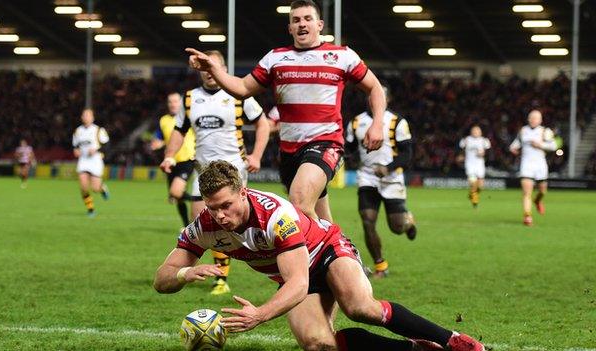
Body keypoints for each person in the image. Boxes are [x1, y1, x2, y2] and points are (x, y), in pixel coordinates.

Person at [153, 161, 485, 351]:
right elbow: (161, 279)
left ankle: (454, 341)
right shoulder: (205, 227)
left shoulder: (275, 216)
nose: (220, 215)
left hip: (326, 249)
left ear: (243, 192)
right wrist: (184, 274)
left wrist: (260, 315)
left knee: (359, 308)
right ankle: (415, 350)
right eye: (213, 208)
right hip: (296, 272)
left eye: (227, 205)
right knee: (318, 344)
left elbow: (297, 283)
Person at [184, 0, 386, 223]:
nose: (302, 24)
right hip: (289, 151)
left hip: (324, 142)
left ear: (319, 25)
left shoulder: (342, 56)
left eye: (307, 19)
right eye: (296, 20)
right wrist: (213, 68)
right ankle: (342, 252)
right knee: (322, 219)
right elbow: (241, 89)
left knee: (298, 202)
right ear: (290, 28)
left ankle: (310, 255)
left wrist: (377, 123)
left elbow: (374, 87)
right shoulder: (275, 59)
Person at [160, 50, 270, 295]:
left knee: (230, 222)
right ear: (200, 70)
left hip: (233, 171)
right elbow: (179, 130)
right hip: (203, 171)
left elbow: (263, 123)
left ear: (222, 68)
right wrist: (169, 155)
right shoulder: (190, 98)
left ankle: (225, 276)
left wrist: (257, 155)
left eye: (214, 67)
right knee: (201, 223)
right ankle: (212, 274)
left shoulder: (239, 93)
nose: (209, 73)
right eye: (205, 68)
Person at [346, 94, 417, 279]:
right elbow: (349, 148)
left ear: (387, 99)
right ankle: (380, 266)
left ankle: (408, 222)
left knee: (397, 227)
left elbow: (407, 153)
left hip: (392, 178)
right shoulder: (356, 122)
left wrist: (388, 168)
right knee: (367, 220)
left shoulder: (397, 121)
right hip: (367, 177)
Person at [151, 92, 196, 227]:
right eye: (170, 102)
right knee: (176, 197)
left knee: (175, 192)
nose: (173, 104)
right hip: (170, 161)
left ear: (181, 102)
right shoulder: (163, 120)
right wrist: (158, 143)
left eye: (175, 101)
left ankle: (199, 199)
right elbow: (160, 138)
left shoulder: (189, 116)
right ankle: (186, 225)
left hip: (187, 159)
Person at [509, 110, 557, 226]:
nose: (533, 119)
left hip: (540, 165)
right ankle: (527, 216)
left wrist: (540, 145)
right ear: (528, 119)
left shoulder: (545, 131)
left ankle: (538, 200)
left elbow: (554, 146)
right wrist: (513, 148)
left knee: (542, 191)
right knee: (526, 192)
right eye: (532, 117)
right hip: (526, 165)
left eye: (536, 118)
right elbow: (515, 144)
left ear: (540, 120)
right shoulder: (523, 131)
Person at [72, 108, 110, 217]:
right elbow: (75, 145)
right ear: (81, 117)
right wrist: (76, 150)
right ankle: (91, 209)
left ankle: (102, 188)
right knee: (83, 186)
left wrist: (96, 150)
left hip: (95, 161)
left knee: (95, 188)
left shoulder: (99, 130)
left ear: (92, 118)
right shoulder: (77, 131)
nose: (86, 117)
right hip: (83, 160)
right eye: (84, 115)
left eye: (88, 115)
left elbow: (108, 146)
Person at [459, 125, 491, 208]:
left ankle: (471, 194)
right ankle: (475, 202)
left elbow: (489, 153)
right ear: (471, 132)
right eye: (474, 130)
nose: (476, 132)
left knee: (480, 186)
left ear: (481, 132)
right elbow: (461, 150)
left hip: (480, 165)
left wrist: (483, 154)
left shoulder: (484, 141)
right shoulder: (466, 140)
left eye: (477, 131)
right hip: (470, 165)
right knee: (473, 184)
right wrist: (461, 156)